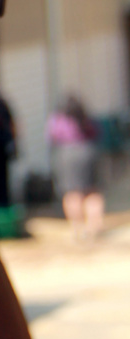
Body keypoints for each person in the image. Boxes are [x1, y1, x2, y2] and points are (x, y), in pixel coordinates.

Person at [46, 95, 104, 240]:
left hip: (67, 155)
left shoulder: (58, 119)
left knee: (72, 192)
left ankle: (77, 228)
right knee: (91, 191)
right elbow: (96, 133)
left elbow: (52, 137)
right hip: (86, 151)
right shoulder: (85, 118)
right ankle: (93, 226)